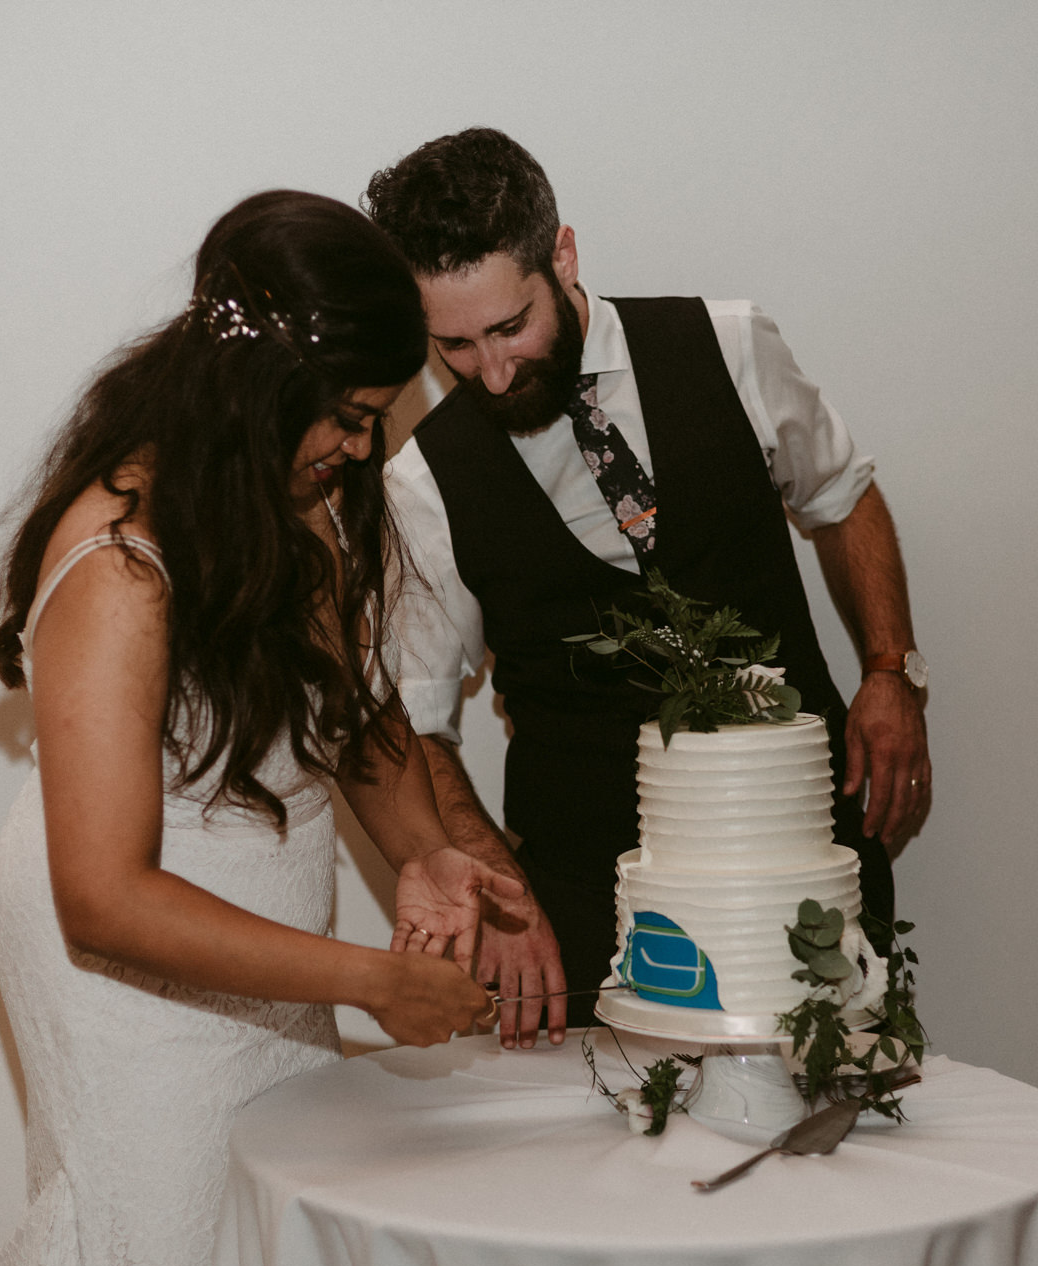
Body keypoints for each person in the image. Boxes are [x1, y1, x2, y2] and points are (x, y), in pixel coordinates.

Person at [0, 190, 519, 1266]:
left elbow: (352, 709)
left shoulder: (289, 498)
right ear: (260, 388)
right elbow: (105, 900)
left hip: (270, 942)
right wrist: (371, 981)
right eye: (351, 415)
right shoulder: (120, 565)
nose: (362, 447)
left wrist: (425, 849)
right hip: (129, 976)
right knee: (176, 1260)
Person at [365, 129, 932, 1050]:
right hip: (594, 908)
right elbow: (415, 722)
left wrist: (891, 669)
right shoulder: (422, 482)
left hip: (807, 858)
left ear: (563, 254)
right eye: (454, 346)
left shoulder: (732, 343)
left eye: (511, 326)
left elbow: (843, 497)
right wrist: (502, 896)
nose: (494, 372)